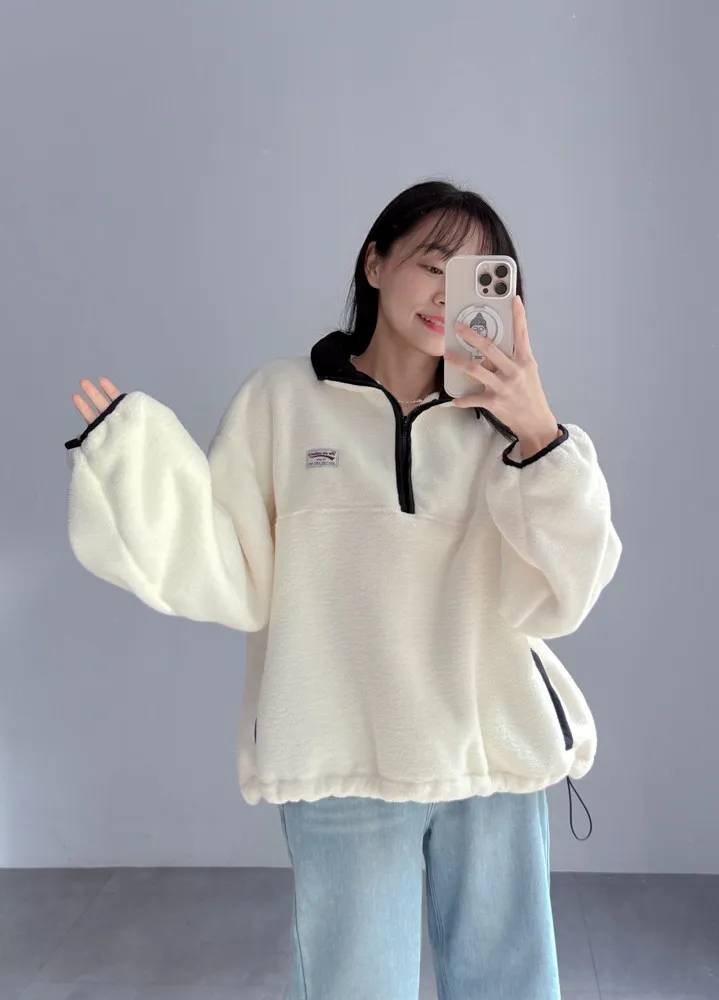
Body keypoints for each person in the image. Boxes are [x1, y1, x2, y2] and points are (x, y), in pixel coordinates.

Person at [65, 179, 622, 1000]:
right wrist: (130, 464)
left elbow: (567, 591)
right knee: (352, 986)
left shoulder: (504, 425)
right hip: (341, 757)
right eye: (432, 263)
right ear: (375, 263)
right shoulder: (282, 401)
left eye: (473, 275)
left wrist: (539, 433)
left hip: (491, 756)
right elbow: (229, 567)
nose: (447, 293)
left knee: (509, 985)